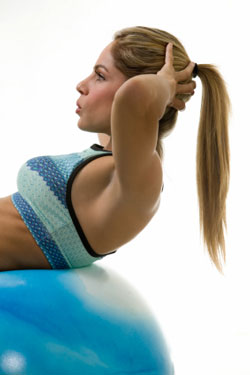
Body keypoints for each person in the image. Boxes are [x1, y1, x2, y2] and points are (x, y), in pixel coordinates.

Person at [0, 26, 230, 273]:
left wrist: (166, 86)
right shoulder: (110, 155)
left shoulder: (138, 180)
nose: (81, 85)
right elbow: (129, 107)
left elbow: (134, 98)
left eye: (100, 76)